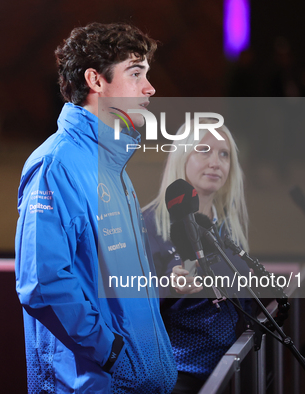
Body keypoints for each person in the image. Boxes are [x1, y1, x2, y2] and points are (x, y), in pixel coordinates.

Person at [15, 22, 177, 394]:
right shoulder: (56, 165)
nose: (149, 88)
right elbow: (43, 285)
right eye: (135, 74)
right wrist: (114, 355)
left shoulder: (111, 162)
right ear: (96, 80)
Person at [143, 119, 252, 393]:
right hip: (179, 374)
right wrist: (170, 284)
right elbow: (129, 303)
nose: (216, 162)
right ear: (182, 156)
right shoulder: (148, 225)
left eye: (223, 154)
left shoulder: (228, 227)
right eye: (203, 150)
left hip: (234, 366)